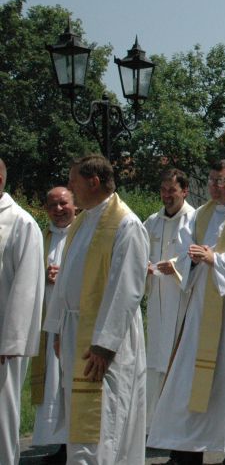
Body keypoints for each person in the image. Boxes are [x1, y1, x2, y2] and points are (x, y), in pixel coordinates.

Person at [148, 160, 225, 465]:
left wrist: (215, 258)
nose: (214, 186)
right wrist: (190, 261)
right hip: (203, 308)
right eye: (212, 180)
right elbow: (185, 253)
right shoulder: (201, 214)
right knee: (191, 378)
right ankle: (188, 447)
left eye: (221, 181)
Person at [42, 154, 148, 463]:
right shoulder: (83, 221)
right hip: (76, 333)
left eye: (74, 181)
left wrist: (104, 344)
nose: (71, 187)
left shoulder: (126, 224)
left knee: (104, 421)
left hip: (104, 341)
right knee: (80, 420)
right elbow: (65, 282)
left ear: (94, 181)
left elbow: (126, 289)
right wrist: (59, 328)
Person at [142, 168, 195, 431]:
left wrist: (174, 266)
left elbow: (199, 256)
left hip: (181, 301)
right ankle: (153, 423)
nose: (166, 196)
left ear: (184, 191)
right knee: (155, 360)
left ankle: (176, 423)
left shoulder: (195, 220)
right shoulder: (152, 222)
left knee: (177, 360)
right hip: (156, 303)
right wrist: (143, 268)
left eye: (172, 190)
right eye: (163, 190)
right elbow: (137, 252)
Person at [0, 158, 45, 465]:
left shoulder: (20, 222)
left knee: (2, 414)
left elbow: (27, 285)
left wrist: (11, 342)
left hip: (3, 340)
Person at [30, 187, 75, 462]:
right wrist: (42, 275)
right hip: (48, 323)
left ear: (75, 205)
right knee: (54, 386)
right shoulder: (40, 236)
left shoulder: (83, 233)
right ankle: (62, 443)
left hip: (73, 322)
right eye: (52, 205)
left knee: (71, 384)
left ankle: (75, 444)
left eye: (63, 203)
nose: (58, 209)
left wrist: (65, 276)